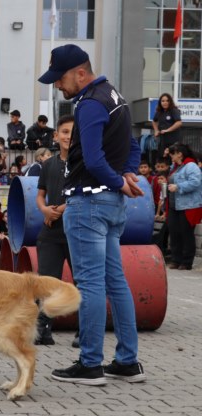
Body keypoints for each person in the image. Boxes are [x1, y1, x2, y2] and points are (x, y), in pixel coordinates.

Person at [38, 43, 146, 385]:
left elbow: (96, 160)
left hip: (88, 203)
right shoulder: (115, 96)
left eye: (61, 78)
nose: (58, 85)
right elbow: (132, 146)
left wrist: (120, 179)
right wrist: (127, 176)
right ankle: (127, 361)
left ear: (79, 73)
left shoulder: (87, 104)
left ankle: (90, 363)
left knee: (89, 285)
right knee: (116, 282)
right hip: (113, 205)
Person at [34, 114, 75, 345]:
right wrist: (45, 211)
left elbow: (82, 193)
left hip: (76, 232)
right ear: (56, 135)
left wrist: (60, 208)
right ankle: (44, 330)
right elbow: (40, 195)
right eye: (65, 132)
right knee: (47, 281)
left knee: (82, 281)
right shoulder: (48, 164)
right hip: (50, 232)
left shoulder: (84, 162)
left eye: (73, 132)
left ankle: (85, 331)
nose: (69, 136)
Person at [165, 143, 202, 270]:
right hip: (174, 205)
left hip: (189, 205)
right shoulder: (175, 167)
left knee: (186, 234)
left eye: (172, 154)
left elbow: (195, 182)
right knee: (174, 233)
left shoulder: (191, 166)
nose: (171, 157)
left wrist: (179, 186)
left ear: (179, 154)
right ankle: (176, 259)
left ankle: (186, 262)